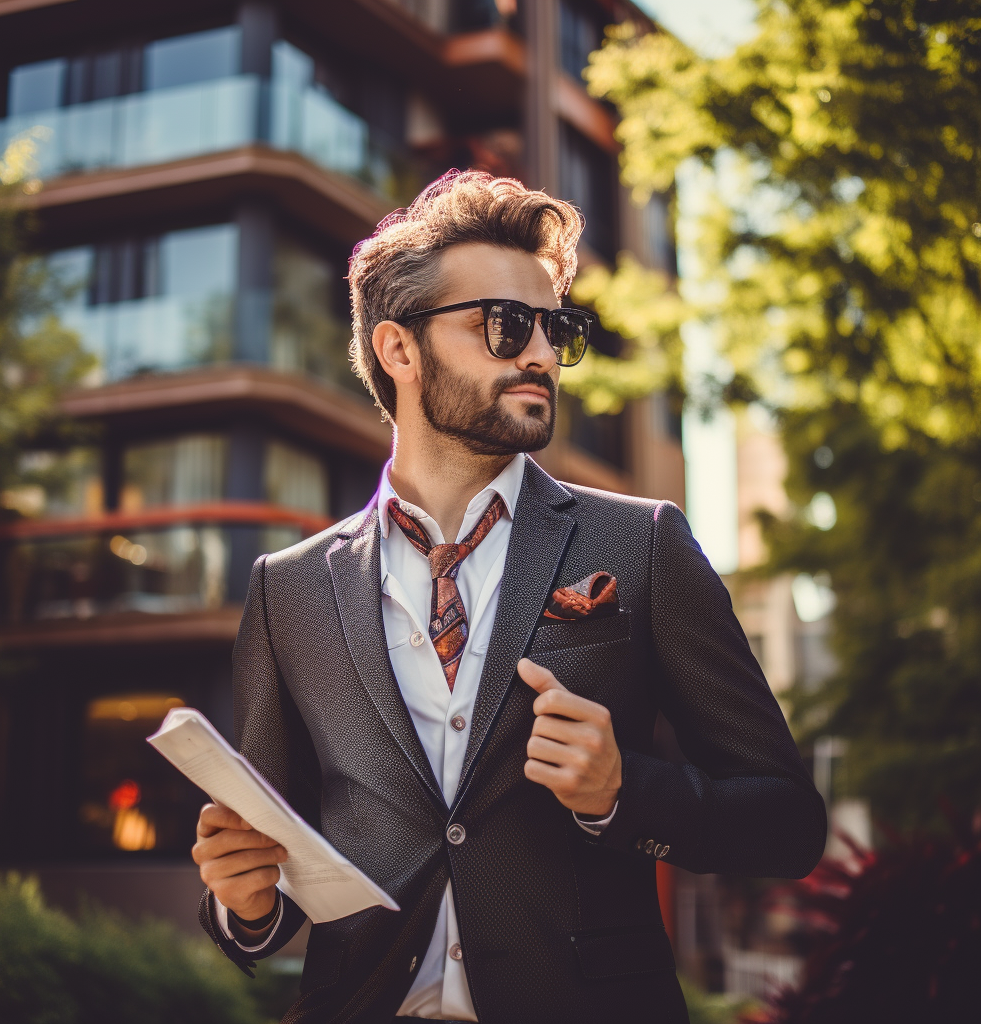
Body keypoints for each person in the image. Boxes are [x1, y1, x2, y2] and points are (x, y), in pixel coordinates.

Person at [191, 170, 826, 1024]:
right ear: (399, 350)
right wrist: (248, 903)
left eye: (553, 328)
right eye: (504, 324)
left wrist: (619, 791)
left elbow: (787, 822)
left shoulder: (640, 546)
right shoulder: (289, 589)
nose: (538, 354)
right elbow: (284, 859)